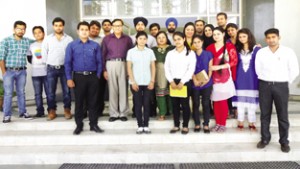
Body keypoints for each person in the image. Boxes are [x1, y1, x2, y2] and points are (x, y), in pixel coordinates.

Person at [255, 28, 299, 153]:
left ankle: (284, 141)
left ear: (279, 37)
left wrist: (285, 81)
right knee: (264, 114)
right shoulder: (261, 52)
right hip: (265, 85)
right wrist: (266, 80)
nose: (271, 40)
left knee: (283, 115)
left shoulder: (288, 52)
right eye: (268, 38)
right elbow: (258, 69)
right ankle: (265, 139)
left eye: (273, 37)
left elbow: (294, 69)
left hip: (281, 86)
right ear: (265, 39)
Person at [65, 21, 104, 135]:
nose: (84, 31)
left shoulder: (95, 45)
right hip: (78, 77)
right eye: (82, 29)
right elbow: (68, 63)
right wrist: (69, 78)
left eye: (86, 29)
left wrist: (97, 76)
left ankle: (94, 124)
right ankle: (79, 125)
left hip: (93, 77)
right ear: (78, 31)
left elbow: (99, 62)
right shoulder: (71, 45)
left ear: (89, 31)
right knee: (79, 102)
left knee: (93, 102)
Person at [0, 21, 33, 123]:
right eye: (18, 28)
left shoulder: (27, 41)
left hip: (22, 71)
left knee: (21, 93)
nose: (21, 31)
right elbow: (1, 58)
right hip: (9, 71)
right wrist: (4, 72)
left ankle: (23, 113)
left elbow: (39, 41)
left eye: (23, 29)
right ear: (14, 29)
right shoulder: (6, 41)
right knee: (8, 93)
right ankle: (7, 115)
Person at [207, 27, 237, 133]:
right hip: (212, 77)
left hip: (224, 77)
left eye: (218, 34)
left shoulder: (229, 46)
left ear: (223, 34)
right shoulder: (210, 47)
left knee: (223, 100)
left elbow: (234, 61)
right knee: (215, 101)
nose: (216, 36)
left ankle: (222, 123)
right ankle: (217, 123)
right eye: (214, 34)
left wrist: (219, 67)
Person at [165, 31, 196, 135]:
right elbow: (167, 68)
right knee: (175, 105)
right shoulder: (170, 53)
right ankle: (176, 125)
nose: (177, 41)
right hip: (173, 82)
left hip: (185, 82)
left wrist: (182, 82)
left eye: (179, 39)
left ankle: (185, 126)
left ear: (184, 39)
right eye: (175, 39)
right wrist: (171, 81)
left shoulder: (190, 53)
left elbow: (191, 69)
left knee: (185, 104)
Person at [42, 17, 73, 120]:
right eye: (56, 25)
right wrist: (47, 64)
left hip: (65, 68)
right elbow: (44, 53)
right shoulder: (48, 39)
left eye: (60, 25)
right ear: (53, 26)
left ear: (63, 26)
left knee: (66, 91)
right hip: (51, 68)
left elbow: (71, 54)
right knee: (50, 92)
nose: (58, 27)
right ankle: (51, 111)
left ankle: (67, 110)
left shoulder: (69, 39)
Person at [102, 19, 133, 122]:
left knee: (123, 89)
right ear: (112, 27)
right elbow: (103, 55)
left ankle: (123, 113)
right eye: (115, 26)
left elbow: (131, 54)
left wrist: (130, 70)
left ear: (122, 26)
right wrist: (104, 70)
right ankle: (114, 113)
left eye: (119, 26)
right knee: (112, 89)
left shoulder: (127, 39)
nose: (117, 27)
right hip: (110, 64)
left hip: (124, 63)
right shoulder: (107, 39)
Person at [127, 31, 156, 134]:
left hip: (148, 82)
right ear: (136, 39)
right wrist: (133, 82)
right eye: (140, 38)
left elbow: (153, 67)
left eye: (144, 39)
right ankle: (140, 125)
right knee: (138, 104)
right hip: (136, 82)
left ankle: (146, 125)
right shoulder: (131, 52)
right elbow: (129, 68)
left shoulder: (150, 52)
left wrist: (152, 81)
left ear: (146, 40)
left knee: (147, 104)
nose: (142, 40)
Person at [232, 28, 260, 130]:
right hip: (239, 79)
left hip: (252, 79)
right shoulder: (235, 49)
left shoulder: (257, 49)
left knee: (251, 102)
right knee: (240, 102)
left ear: (249, 37)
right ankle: (240, 122)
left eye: (244, 36)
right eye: (240, 37)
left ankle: (251, 122)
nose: (242, 38)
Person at [191, 35, 213, 134]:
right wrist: (195, 80)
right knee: (195, 103)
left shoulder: (209, 54)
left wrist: (207, 79)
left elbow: (210, 67)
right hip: (194, 82)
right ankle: (197, 123)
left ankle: (206, 124)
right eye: (194, 42)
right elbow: (190, 68)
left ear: (202, 42)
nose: (197, 44)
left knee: (205, 103)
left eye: (198, 42)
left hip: (207, 82)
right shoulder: (191, 55)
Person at [27, 26, 49, 118]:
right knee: (37, 94)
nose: (37, 34)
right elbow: (29, 58)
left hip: (47, 73)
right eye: (35, 33)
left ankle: (51, 110)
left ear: (43, 33)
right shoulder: (32, 45)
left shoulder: (48, 43)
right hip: (35, 74)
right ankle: (40, 111)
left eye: (39, 32)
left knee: (49, 93)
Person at [152, 31, 174, 121]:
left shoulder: (172, 48)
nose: (161, 39)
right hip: (159, 73)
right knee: (161, 93)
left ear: (166, 38)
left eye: (163, 37)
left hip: (172, 72)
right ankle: (162, 114)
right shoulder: (153, 49)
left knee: (172, 93)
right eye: (159, 38)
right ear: (156, 39)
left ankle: (173, 112)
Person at [89, 20, 106, 118]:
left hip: (99, 69)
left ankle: (99, 111)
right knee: (88, 92)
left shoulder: (102, 40)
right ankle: (87, 110)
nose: (95, 30)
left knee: (99, 91)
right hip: (87, 69)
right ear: (89, 29)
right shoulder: (84, 39)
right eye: (93, 28)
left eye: (97, 29)